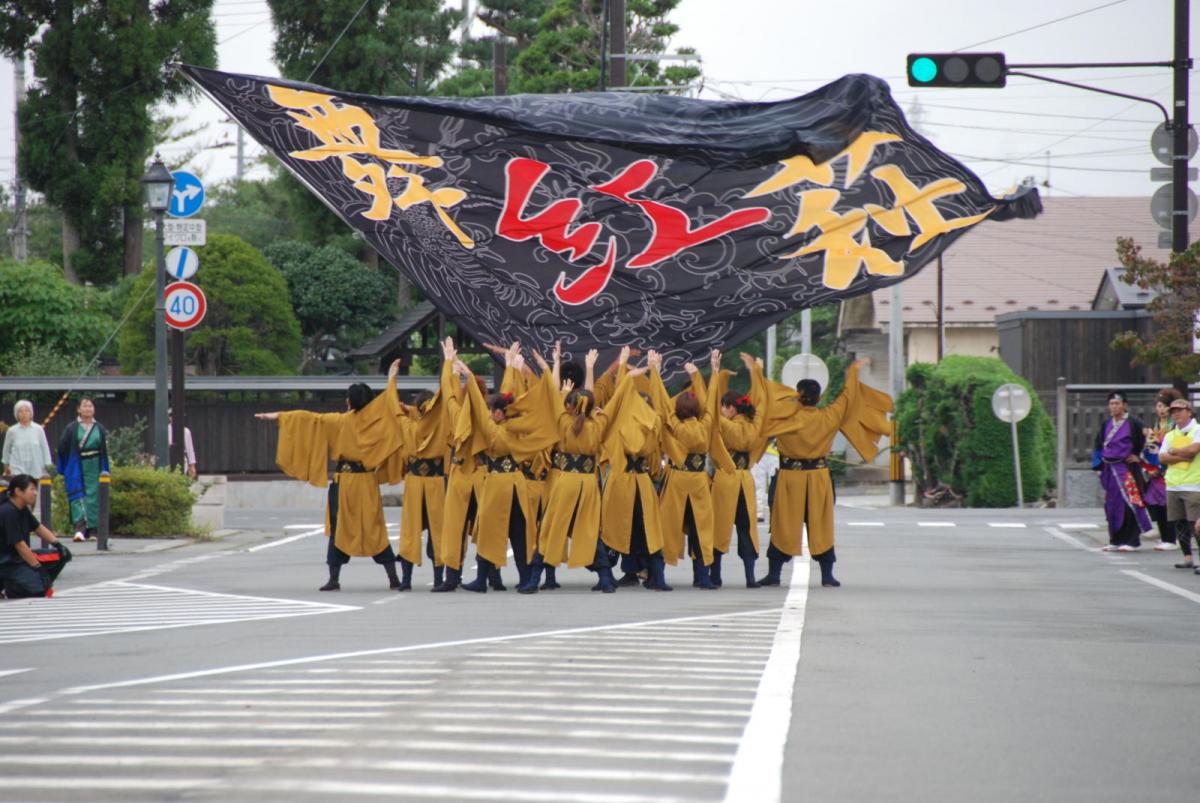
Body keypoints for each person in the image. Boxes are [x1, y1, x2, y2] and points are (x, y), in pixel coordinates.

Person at [255, 361, 407, 591]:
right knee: (374, 528)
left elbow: (308, 418)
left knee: (340, 528)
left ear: (349, 401)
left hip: (345, 482)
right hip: (365, 481)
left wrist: (277, 416)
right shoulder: (377, 422)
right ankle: (392, 577)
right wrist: (391, 377)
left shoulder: (339, 421)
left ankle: (334, 578)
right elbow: (389, 403)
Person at [760, 359, 893, 588]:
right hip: (818, 476)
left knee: (783, 524)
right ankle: (827, 575)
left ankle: (774, 573)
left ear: (797, 397)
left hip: (790, 476)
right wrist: (853, 370)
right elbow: (849, 396)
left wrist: (758, 372)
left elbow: (765, 401)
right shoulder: (830, 415)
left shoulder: (786, 417)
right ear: (819, 398)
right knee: (821, 525)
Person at [453, 355, 558, 593]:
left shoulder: (495, 431)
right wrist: (511, 368)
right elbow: (508, 397)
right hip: (516, 484)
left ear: (500, 413)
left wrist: (469, 375)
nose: (489, 413)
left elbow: (479, 408)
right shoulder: (516, 427)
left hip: (498, 484)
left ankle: (483, 580)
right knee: (519, 534)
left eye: (493, 411)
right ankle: (523, 578)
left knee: (491, 530)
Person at [647, 349, 724, 590]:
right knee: (700, 527)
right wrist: (709, 373)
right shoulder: (705, 425)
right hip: (699, 480)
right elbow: (711, 402)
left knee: (666, 526)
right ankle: (702, 577)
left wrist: (655, 373)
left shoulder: (674, 424)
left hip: (677, 478)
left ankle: (657, 578)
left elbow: (661, 404)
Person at [599, 347, 672, 590]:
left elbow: (618, 399)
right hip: (642, 482)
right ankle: (655, 576)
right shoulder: (653, 422)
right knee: (646, 530)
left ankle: (617, 575)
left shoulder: (622, 423)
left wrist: (623, 368)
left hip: (622, 481)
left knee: (621, 528)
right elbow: (662, 406)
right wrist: (655, 373)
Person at [710, 351, 769, 588]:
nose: (723, 411)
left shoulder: (726, 426)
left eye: (725, 407)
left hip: (726, 478)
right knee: (746, 528)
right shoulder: (754, 427)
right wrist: (757, 373)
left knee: (719, 527)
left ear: (731, 409)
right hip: (746, 480)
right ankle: (750, 577)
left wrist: (715, 372)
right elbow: (763, 403)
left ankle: (715, 576)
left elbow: (710, 412)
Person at [1093, 391, 1153, 552]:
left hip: (1127, 469)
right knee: (1111, 505)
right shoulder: (1106, 424)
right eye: (1111, 403)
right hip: (1110, 470)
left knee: (1131, 503)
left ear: (1125, 405)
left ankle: (1132, 541)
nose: (1114, 406)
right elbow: (1098, 446)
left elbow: (1152, 441)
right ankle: (1115, 539)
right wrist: (1097, 466)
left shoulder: (1135, 423)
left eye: (1117, 403)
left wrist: (1140, 457)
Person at [0, 474, 69, 599]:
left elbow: (38, 528)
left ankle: (38, 582)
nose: (35, 493)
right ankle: (11, 587)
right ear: (18, 491)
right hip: (7, 562)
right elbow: (20, 545)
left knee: (62, 555)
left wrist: (57, 544)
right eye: (32, 489)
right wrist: (38, 568)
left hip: (19, 559)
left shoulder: (22, 509)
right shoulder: (8, 512)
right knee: (38, 590)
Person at [56, 398, 109, 543]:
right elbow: (62, 447)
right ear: (78, 409)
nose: (87, 408)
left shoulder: (99, 428)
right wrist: (65, 466)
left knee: (94, 496)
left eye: (90, 406)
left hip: (95, 465)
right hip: (76, 466)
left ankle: (93, 530)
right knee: (77, 496)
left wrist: (105, 470)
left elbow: (104, 450)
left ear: (94, 409)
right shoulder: (71, 428)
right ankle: (80, 528)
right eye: (84, 406)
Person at [1157, 398, 1200, 573]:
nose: (1176, 414)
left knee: (1195, 524)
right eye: (1173, 411)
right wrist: (1182, 455)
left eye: (1180, 411)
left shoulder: (1197, 430)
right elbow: (1162, 457)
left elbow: (1194, 450)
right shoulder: (1170, 435)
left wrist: (1174, 452)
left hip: (1194, 484)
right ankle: (1187, 557)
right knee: (1179, 522)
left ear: (1189, 412)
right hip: (1174, 484)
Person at [1142, 389, 1180, 551]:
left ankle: (1171, 538)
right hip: (1154, 472)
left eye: (1164, 406)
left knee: (1168, 505)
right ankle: (1164, 535)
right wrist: (1149, 468)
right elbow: (1148, 448)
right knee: (1154, 502)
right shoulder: (1155, 426)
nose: (1161, 409)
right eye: (1158, 406)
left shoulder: (1175, 426)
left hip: (1170, 469)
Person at [167, 408, 198, 480]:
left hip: (182, 459)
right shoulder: (165, 430)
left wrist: (192, 465)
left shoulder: (186, 431)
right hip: (168, 459)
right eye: (171, 416)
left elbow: (190, 449)